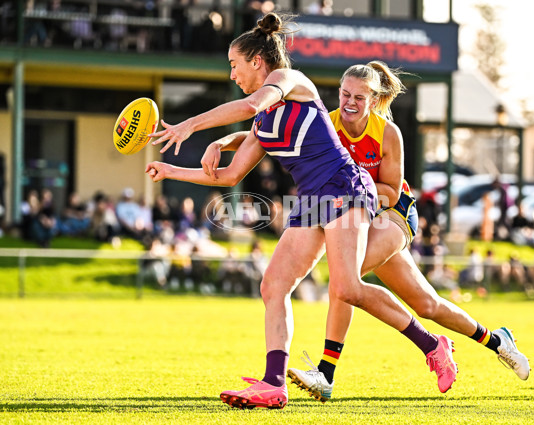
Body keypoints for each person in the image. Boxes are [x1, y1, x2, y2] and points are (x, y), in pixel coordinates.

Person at [145, 13, 457, 409]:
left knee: (347, 289)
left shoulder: (291, 81)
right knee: (272, 286)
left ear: (258, 61)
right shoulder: (262, 123)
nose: (232, 73)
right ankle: (274, 383)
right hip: (311, 199)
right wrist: (170, 170)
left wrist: (189, 126)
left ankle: (433, 345)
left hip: (345, 187)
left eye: (234, 64)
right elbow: (229, 176)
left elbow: (251, 102)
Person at [196, 58, 530, 403]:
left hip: (391, 214)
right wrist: (221, 141)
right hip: (353, 213)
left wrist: (353, 184)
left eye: (359, 97)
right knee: (426, 304)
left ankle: (328, 374)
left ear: (373, 101)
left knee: (346, 284)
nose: (350, 103)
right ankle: (497, 340)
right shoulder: (328, 123)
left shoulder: (387, 132)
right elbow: (263, 135)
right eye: (345, 94)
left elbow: (390, 190)